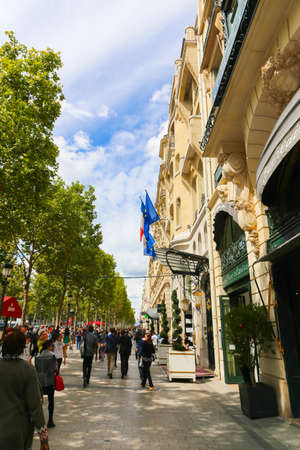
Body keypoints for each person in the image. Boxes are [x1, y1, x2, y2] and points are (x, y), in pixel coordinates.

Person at [0, 330, 49, 450]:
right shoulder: (27, 369)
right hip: (17, 432)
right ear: (21, 348)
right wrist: (44, 439)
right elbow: (35, 405)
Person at [35, 340, 57, 428]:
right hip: (50, 380)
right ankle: (50, 420)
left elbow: (36, 368)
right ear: (48, 346)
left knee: (39, 401)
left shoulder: (38, 356)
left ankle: (39, 420)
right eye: (51, 346)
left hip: (40, 381)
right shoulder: (52, 356)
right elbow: (54, 369)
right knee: (51, 400)